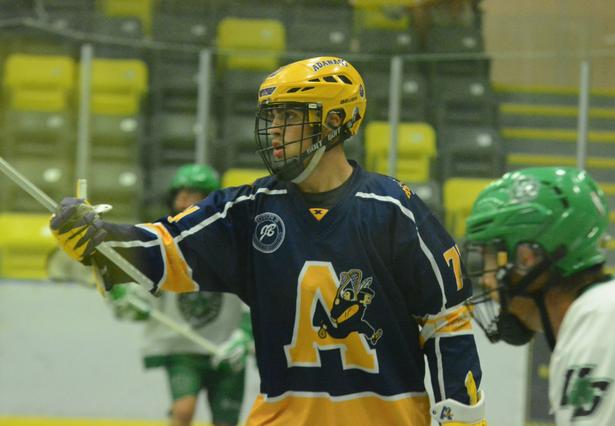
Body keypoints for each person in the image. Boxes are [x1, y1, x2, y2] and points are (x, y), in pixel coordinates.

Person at [49, 56, 486, 426]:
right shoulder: (248, 210)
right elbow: (165, 247)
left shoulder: (394, 210)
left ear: (334, 122)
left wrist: (461, 415)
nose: (275, 129)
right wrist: (101, 239)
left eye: (290, 116)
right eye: (272, 117)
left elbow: (445, 321)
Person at [462, 166, 615, 426]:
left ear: (527, 259)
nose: (486, 280)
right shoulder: (613, 310)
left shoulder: (604, 324)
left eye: (491, 258)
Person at [108, 164, 252, 426]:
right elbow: (145, 293)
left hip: (226, 349)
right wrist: (130, 303)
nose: (184, 202)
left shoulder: (236, 245)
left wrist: (244, 337)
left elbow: (255, 299)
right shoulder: (164, 242)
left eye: (193, 196)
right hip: (183, 350)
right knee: (183, 410)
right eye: (181, 195)